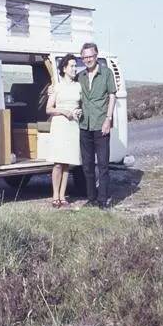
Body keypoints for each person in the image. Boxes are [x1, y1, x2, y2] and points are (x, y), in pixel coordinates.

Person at [77, 42, 117, 208]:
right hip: (85, 125)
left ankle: (103, 200)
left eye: (90, 56)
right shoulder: (80, 76)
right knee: (87, 166)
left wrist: (108, 119)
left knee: (103, 165)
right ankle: (91, 198)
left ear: (96, 55)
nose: (88, 59)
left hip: (101, 124)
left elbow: (112, 96)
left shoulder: (106, 73)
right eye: (85, 57)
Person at [45, 53, 82, 208]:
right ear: (64, 68)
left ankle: (62, 196)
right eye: (72, 66)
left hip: (73, 125)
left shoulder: (78, 86)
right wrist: (62, 111)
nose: (75, 69)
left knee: (67, 162)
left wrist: (80, 112)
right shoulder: (57, 87)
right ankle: (55, 196)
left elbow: (82, 104)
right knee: (58, 163)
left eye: (75, 66)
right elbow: (48, 109)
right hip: (60, 125)